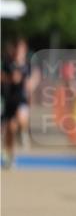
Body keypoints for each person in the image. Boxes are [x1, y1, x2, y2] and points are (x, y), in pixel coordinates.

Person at [1, 39, 33, 168]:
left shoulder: (27, 65)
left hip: (22, 99)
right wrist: (10, 78)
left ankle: (23, 134)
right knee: (10, 129)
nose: (20, 52)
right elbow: (2, 76)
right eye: (18, 49)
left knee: (21, 117)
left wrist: (29, 85)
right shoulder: (8, 63)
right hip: (10, 100)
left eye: (22, 49)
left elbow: (30, 81)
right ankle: (10, 155)